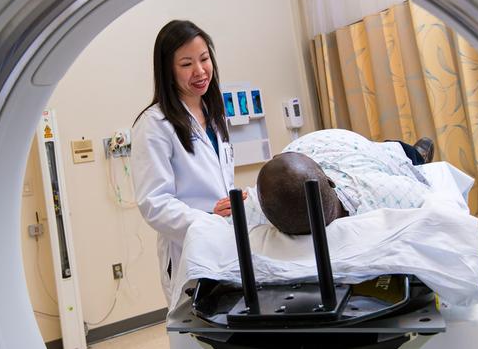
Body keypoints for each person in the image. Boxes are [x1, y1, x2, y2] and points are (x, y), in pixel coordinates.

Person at [131, 20, 244, 301]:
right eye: (186, 64)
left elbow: (217, 181)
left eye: (204, 59)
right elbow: (154, 203)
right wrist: (208, 220)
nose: (200, 70)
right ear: (168, 70)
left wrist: (237, 200)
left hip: (225, 241)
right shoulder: (154, 124)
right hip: (187, 250)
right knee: (193, 333)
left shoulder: (216, 115)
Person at [254, 129, 434, 235]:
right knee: (395, 154)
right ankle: (415, 154)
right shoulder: (386, 193)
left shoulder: (253, 205)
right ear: (331, 181)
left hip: (314, 148)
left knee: (395, 151)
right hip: (351, 149)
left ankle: (415, 154)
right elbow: (434, 199)